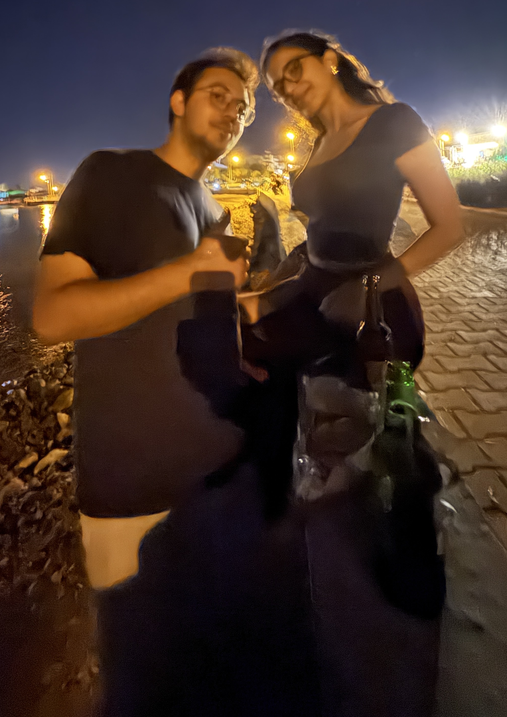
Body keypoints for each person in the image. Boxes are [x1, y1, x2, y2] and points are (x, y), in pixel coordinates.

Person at [32, 48, 317, 717]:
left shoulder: (211, 207)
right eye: (218, 94)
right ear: (178, 101)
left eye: (243, 107)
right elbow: (53, 315)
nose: (233, 112)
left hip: (223, 477)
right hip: (137, 493)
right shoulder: (111, 173)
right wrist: (190, 270)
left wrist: (267, 313)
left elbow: (198, 317)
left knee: (219, 673)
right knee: (144, 685)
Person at [240, 28, 465, 717]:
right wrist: (268, 293)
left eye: (294, 69)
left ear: (331, 60)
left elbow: (450, 226)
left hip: (374, 311)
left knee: (390, 431)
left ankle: (410, 562)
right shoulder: (316, 141)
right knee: (247, 359)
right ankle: (292, 528)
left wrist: (372, 283)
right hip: (316, 294)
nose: (287, 87)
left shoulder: (393, 123)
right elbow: (318, 243)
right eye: (277, 83)